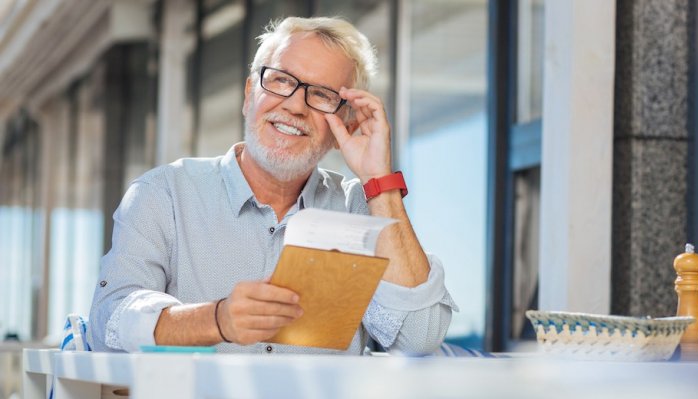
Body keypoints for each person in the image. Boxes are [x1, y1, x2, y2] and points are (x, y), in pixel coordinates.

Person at [88, 16, 457, 355]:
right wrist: (217, 320)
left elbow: (419, 338)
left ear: (343, 124)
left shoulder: (361, 208)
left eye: (322, 95)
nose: (296, 106)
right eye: (281, 80)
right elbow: (110, 324)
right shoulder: (164, 194)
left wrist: (381, 181)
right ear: (250, 95)